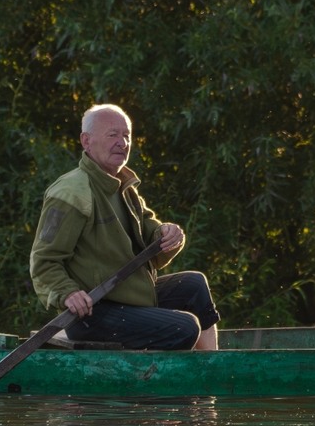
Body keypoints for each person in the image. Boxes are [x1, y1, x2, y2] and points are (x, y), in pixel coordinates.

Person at [29, 104, 220, 350]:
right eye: (112, 135)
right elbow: (44, 261)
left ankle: (212, 374)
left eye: (127, 136)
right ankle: (166, 385)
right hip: (93, 314)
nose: (123, 143)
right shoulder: (71, 192)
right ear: (86, 141)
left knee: (194, 284)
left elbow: (151, 235)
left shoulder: (124, 186)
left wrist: (168, 234)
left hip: (129, 298)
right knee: (183, 327)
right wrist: (67, 293)